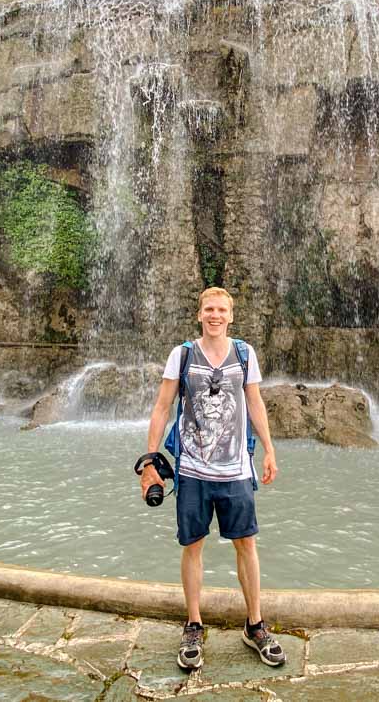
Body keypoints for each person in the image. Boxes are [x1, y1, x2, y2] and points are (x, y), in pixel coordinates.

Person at [139, 287, 284, 671]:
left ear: (231, 316)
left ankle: (254, 624)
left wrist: (269, 448)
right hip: (192, 470)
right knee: (193, 546)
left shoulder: (245, 354)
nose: (215, 315)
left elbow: (254, 402)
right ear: (199, 314)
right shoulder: (182, 355)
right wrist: (150, 459)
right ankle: (194, 625)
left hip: (236, 470)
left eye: (221, 310)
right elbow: (162, 406)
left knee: (246, 544)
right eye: (209, 309)